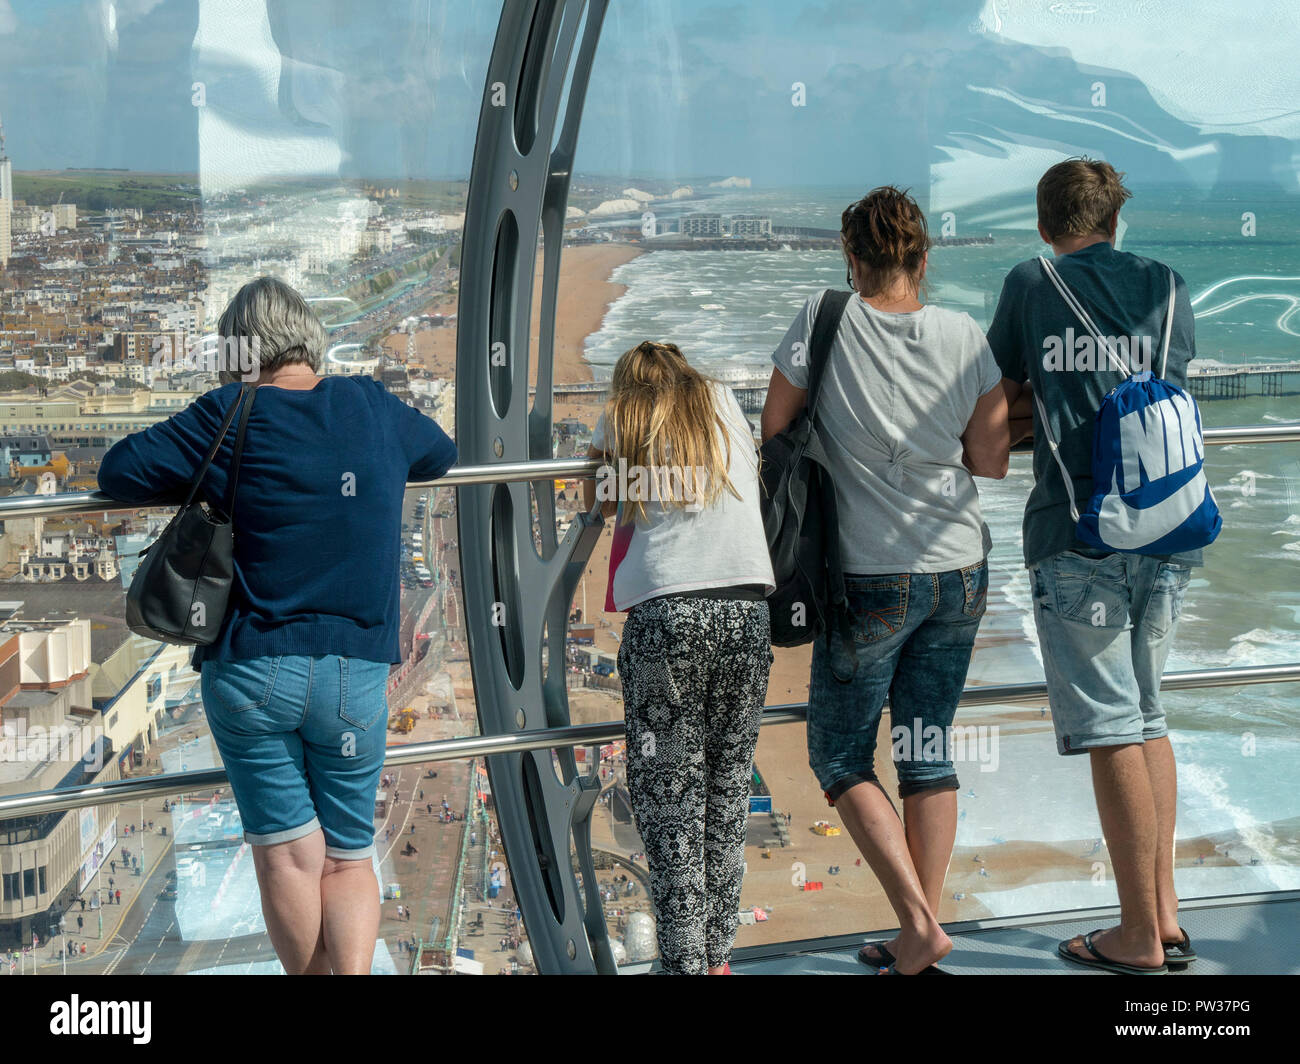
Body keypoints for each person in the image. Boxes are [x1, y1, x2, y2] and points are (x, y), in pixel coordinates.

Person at [99, 276, 457, 974]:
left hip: (253, 668)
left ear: (240, 349)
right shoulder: (371, 405)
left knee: (290, 857)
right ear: (311, 338)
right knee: (349, 857)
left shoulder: (229, 413)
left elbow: (119, 471)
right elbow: (439, 455)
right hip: (355, 670)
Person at [762, 186, 1010, 975]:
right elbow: (992, 459)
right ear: (923, 257)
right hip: (959, 568)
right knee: (927, 750)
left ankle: (917, 924)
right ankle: (918, 936)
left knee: (839, 756)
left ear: (851, 257)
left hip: (870, 573)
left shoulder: (822, 317)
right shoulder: (964, 333)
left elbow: (774, 428)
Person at [986, 159, 1200, 974]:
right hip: (1169, 529)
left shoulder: (1032, 282)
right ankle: (1167, 910)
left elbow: (998, 398)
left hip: (1079, 537)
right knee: (1147, 717)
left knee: (1112, 728)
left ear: (1046, 223)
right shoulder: (1171, 286)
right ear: (1116, 220)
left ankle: (1138, 936)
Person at [583, 339, 775, 976]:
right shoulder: (722, 402)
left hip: (670, 616)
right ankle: (716, 958)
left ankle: (685, 966)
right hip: (747, 609)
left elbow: (606, 503)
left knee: (669, 798)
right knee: (725, 788)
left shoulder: (626, 416)